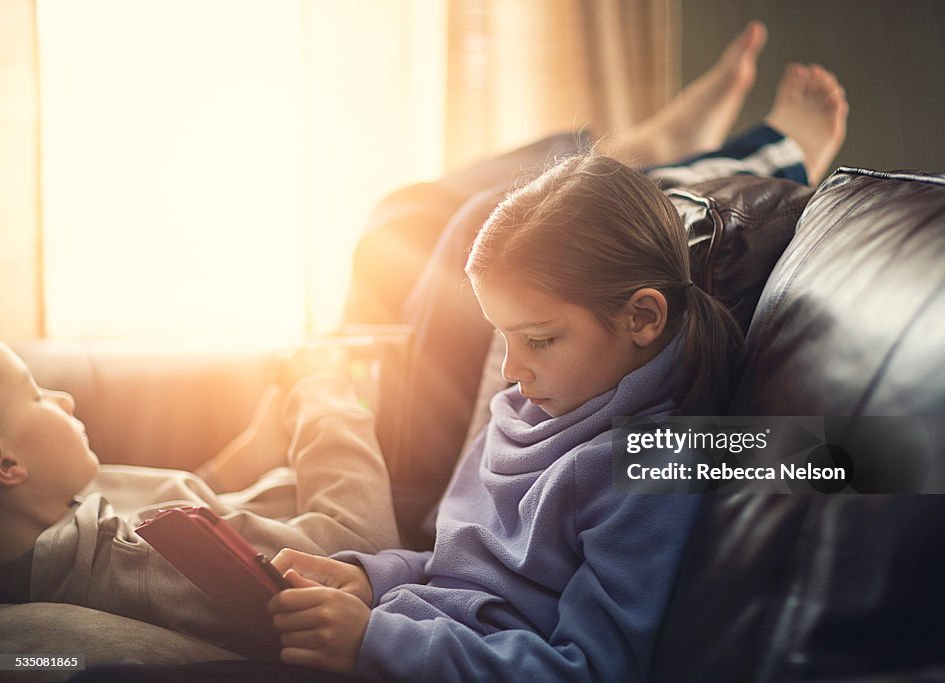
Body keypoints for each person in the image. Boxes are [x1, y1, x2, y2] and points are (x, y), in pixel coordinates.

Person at [68, 20, 849, 681]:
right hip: (405, 627)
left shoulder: (657, 461)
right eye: (503, 338)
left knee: (424, 224)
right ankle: (653, 149)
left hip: (412, 652)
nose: (508, 373)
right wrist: (369, 579)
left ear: (643, 318)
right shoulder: (532, 402)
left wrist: (378, 639)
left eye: (537, 339)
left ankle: (743, 153)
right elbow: (462, 575)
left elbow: (582, 665)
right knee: (408, 220)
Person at [0, 342, 400, 655]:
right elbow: (361, 553)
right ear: (7, 465)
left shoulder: (54, 510)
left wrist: (258, 443)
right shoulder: (134, 561)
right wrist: (321, 393)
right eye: (35, 395)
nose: (64, 398)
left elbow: (176, 495)